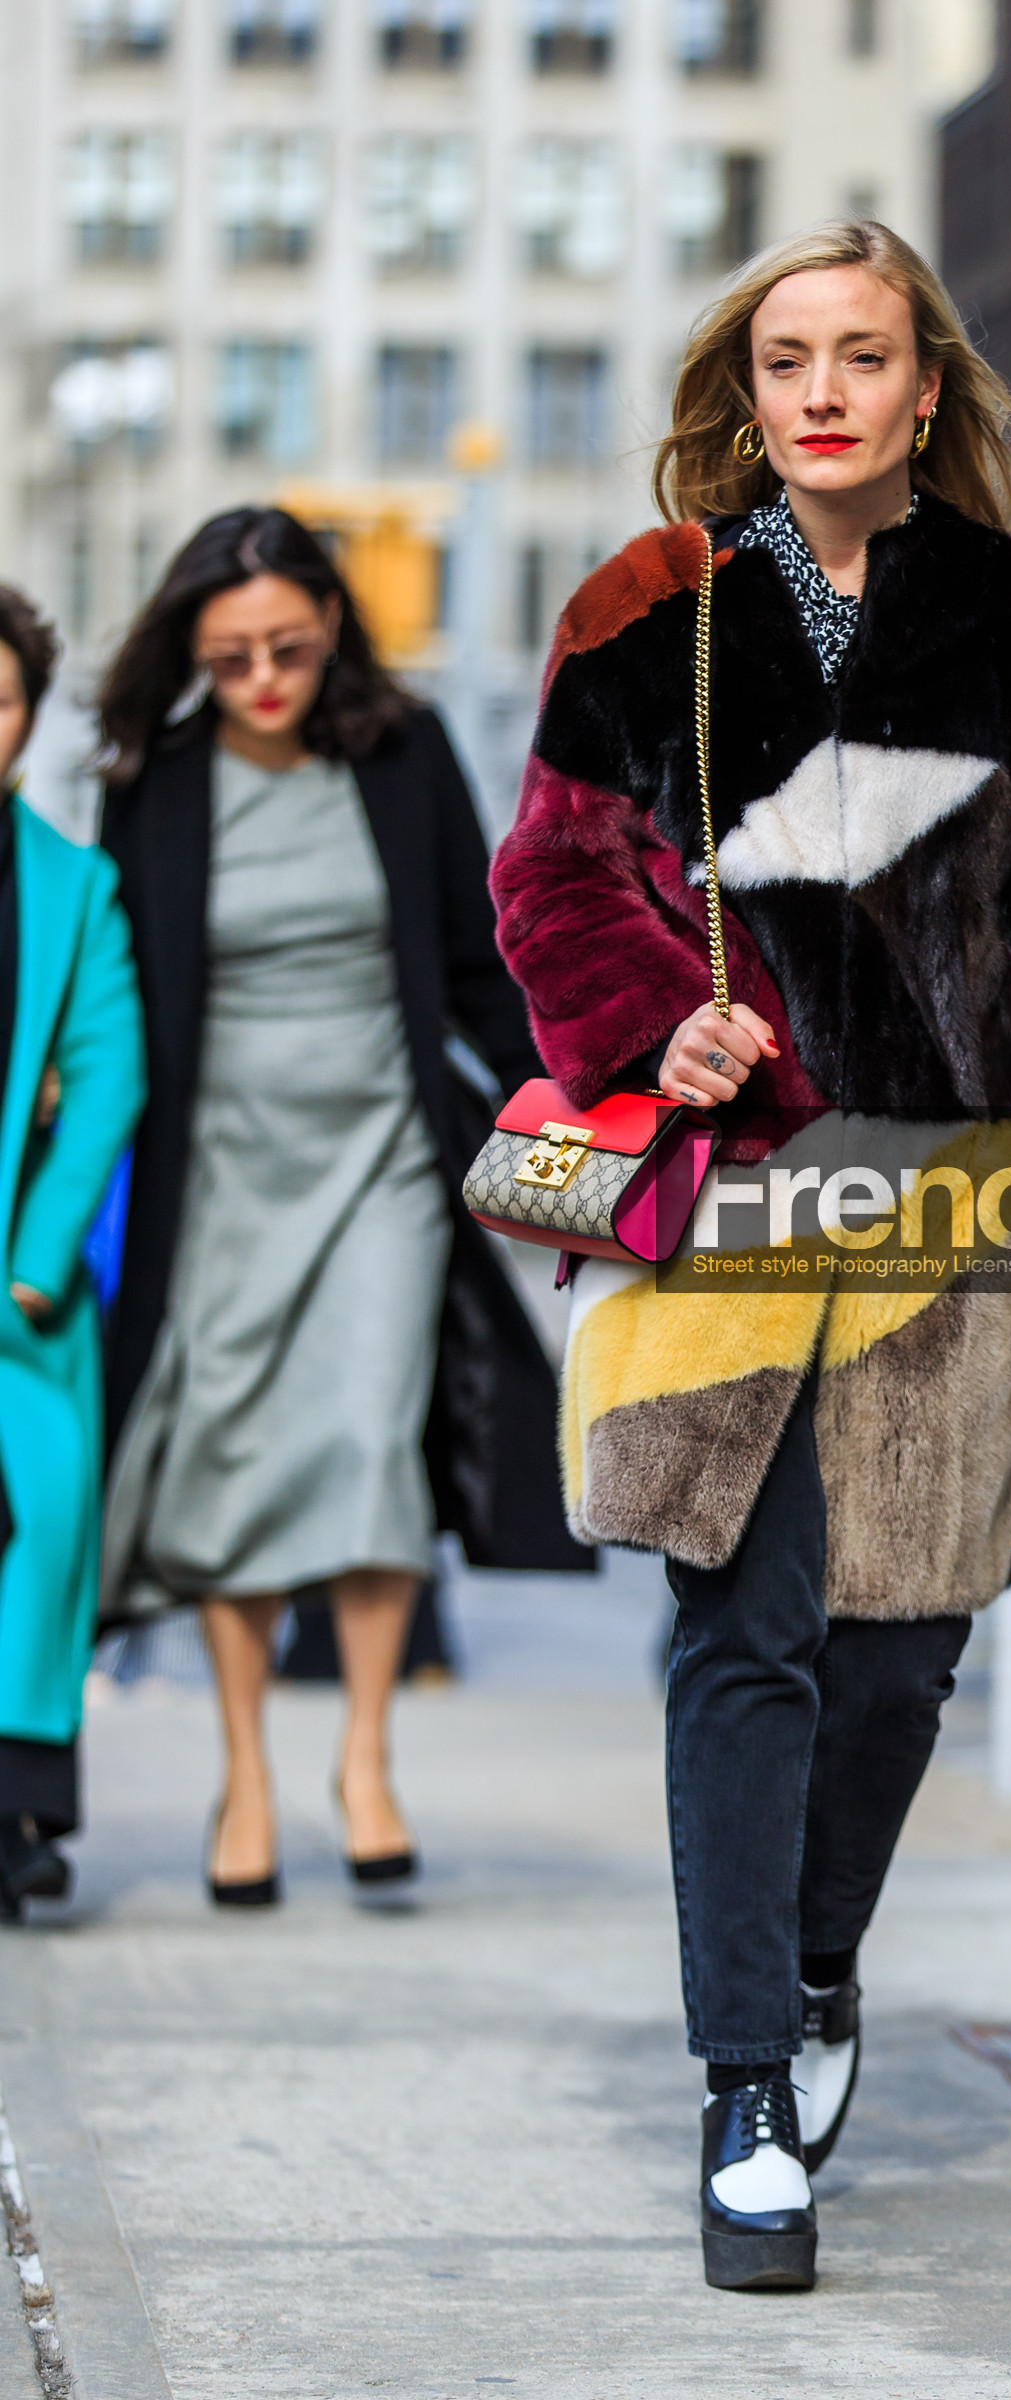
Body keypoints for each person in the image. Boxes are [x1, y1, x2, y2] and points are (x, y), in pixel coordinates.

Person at [490, 219, 1011, 2291]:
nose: (816, 388)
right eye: (784, 354)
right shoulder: (654, 608)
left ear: (922, 390)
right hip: (732, 1202)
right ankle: (740, 2089)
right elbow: (548, 877)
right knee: (748, 1628)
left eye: (858, 354)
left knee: (899, 1652)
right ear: (746, 385)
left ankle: (805, 1967)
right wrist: (649, 1018)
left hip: (956, 1208)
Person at [97, 507, 585, 1910]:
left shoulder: (404, 750)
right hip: (222, 1170)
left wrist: (559, 1125)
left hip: (382, 1155)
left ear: (334, 628)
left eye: (289, 648)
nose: (263, 678)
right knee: (231, 1468)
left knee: (373, 1439)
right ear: (191, 654)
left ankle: (365, 1756)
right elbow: (121, 992)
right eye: (231, 655)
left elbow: (481, 963)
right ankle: (245, 1771)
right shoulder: (157, 782)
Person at [0, 586, 144, 1917]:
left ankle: (17, 1810)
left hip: (13, 1290)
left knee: (33, 1530)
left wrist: (39, 1258)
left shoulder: (74, 885)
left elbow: (103, 1073)